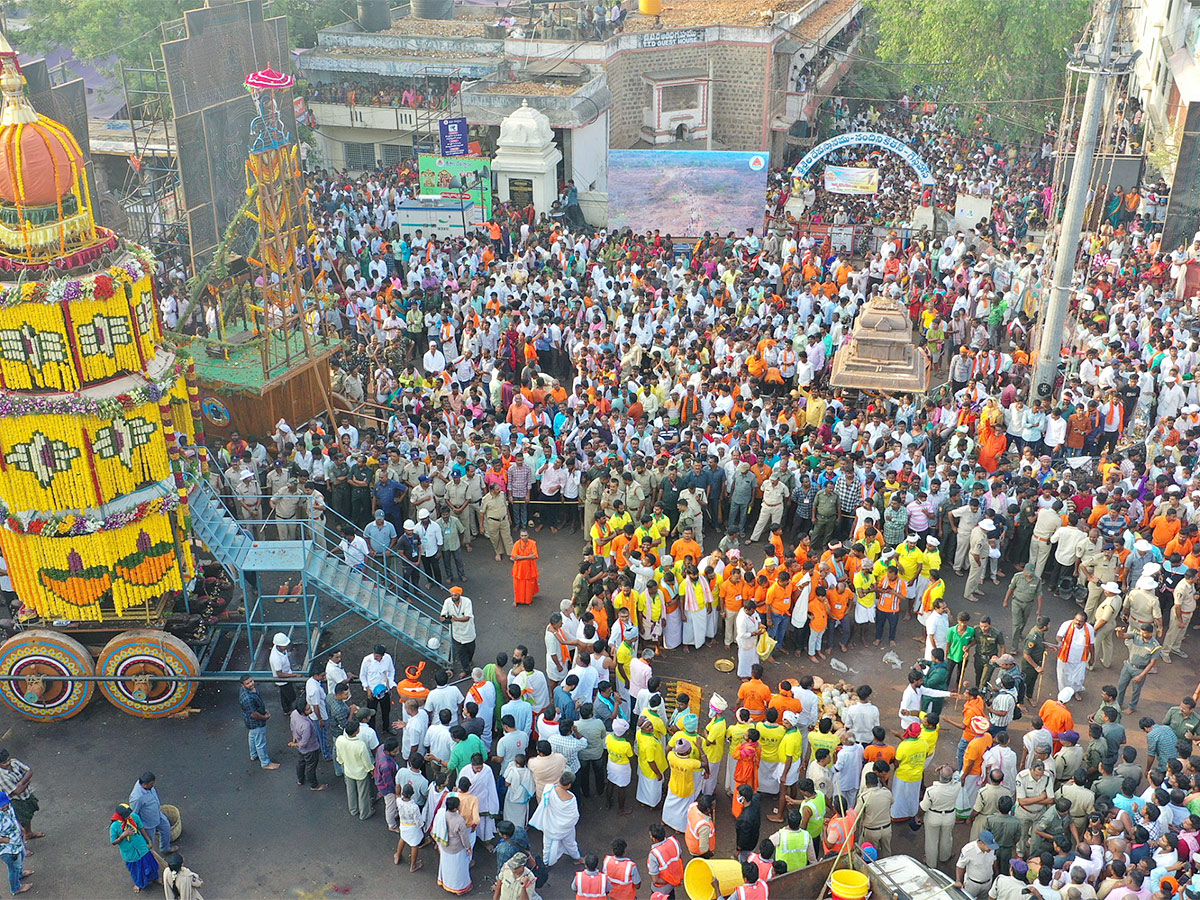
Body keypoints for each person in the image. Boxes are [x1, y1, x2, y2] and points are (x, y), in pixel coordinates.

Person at [529, 772, 581, 866]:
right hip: (566, 828)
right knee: (571, 843)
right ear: (569, 785)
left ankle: (546, 863)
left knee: (548, 847)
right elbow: (574, 817)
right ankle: (576, 857)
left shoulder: (548, 789)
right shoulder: (571, 798)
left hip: (549, 825)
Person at [110, 802, 160, 893]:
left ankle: (155, 879)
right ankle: (139, 883)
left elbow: (141, 828)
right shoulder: (114, 827)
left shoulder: (134, 817)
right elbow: (113, 842)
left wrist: (148, 840)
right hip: (130, 853)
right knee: (136, 870)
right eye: (127, 816)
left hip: (142, 847)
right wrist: (122, 836)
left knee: (150, 864)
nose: (129, 816)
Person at [432, 795, 473, 895]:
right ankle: (460, 888)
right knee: (459, 869)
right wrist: (468, 848)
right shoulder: (459, 821)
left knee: (447, 866)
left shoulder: (442, 814)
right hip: (457, 848)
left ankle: (446, 883)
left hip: (445, 846)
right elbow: (464, 838)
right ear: (455, 808)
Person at [238, 675, 279, 770]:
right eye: (247, 683)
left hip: (251, 722)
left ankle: (254, 754)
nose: (251, 684)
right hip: (256, 722)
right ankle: (265, 763)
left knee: (252, 736)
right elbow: (254, 714)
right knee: (260, 742)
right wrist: (264, 717)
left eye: (251, 681)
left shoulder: (249, 690)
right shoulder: (247, 697)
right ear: (242, 685)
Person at [336, 720, 374, 820]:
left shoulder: (340, 740)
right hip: (360, 773)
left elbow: (339, 755)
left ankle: (353, 810)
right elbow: (367, 762)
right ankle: (364, 813)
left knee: (351, 791)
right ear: (357, 731)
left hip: (348, 770)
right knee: (363, 794)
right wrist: (371, 770)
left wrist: (342, 762)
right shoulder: (360, 745)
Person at [128, 772, 174, 853]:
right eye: (151, 784)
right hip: (148, 824)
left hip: (158, 814)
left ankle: (165, 848)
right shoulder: (137, 798)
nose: (153, 786)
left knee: (166, 828)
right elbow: (134, 814)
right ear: (144, 785)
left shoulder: (148, 787)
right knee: (149, 842)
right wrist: (139, 828)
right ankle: (151, 858)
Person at [0, 754, 39, 845]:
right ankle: (22, 847)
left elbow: (29, 771)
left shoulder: (14, 762)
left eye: (8, 759)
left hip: (26, 796)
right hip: (15, 802)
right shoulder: (1, 777)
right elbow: (17, 791)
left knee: (27, 817)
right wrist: (27, 782)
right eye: (4, 762)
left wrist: (21, 783)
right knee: (19, 826)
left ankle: (28, 833)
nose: (8, 762)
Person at [359, 644, 396, 734]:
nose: (375, 657)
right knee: (371, 713)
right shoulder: (367, 660)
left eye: (378, 656)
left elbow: (391, 671)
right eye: (375, 654)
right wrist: (367, 689)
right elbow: (362, 675)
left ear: (382, 655)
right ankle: (372, 731)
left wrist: (389, 683)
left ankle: (386, 727)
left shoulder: (387, 658)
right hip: (372, 691)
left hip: (384, 690)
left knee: (386, 710)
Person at [441, 586, 477, 677]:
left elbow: (467, 617)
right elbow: (443, 614)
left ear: (459, 595)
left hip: (468, 632)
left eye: (455, 595)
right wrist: (443, 618)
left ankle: (469, 661)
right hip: (457, 634)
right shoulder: (447, 602)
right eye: (452, 595)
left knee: (471, 650)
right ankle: (466, 670)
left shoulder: (467, 602)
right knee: (461, 653)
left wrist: (456, 619)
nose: (453, 597)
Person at [0, 792, 28, 897]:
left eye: (5, 803)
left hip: (17, 842)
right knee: (13, 868)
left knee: (22, 857)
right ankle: (16, 888)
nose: (5, 806)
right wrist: (5, 840)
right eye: (1, 805)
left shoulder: (9, 807)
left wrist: (21, 828)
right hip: (7, 849)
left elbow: (14, 817)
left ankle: (20, 874)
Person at [512, 530, 540, 606]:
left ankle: (528, 600)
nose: (523, 537)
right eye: (522, 536)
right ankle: (516, 600)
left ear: (528, 535)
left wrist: (521, 557)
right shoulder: (517, 544)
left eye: (525, 535)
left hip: (529, 568)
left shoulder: (533, 543)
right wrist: (528, 557)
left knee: (529, 585)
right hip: (519, 569)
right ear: (520, 536)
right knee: (517, 585)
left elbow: (534, 556)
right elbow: (514, 557)